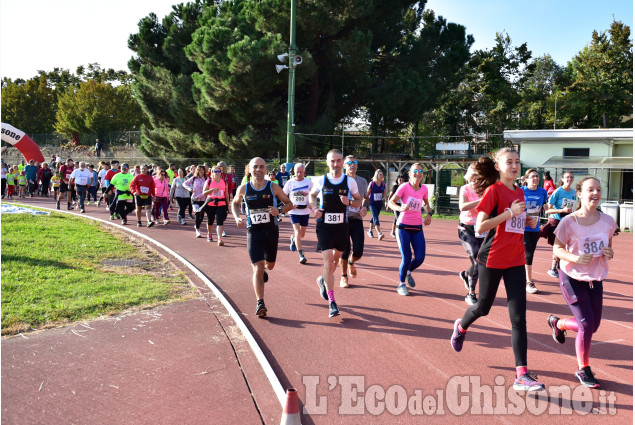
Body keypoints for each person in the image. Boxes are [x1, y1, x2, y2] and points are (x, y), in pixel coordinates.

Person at [450, 149, 545, 392]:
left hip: (515, 260)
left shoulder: (520, 191)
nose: (514, 166)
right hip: (492, 259)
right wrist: (509, 213)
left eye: (517, 162)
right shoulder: (493, 191)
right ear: (498, 166)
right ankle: (461, 327)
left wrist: (527, 220)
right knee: (483, 307)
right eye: (509, 162)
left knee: (518, 318)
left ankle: (521, 374)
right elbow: (481, 226)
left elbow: (514, 224)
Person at [547, 177, 617, 389]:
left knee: (593, 326)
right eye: (590, 189)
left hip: (595, 279)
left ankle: (558, 324)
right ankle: (583, 368)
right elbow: (557, 250)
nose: (595, 193)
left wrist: (609, 253)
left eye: (598, 189)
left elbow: (610, 248)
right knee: (586, 325)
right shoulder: (569, 221)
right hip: (571, 278)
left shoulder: (607, 221)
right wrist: (576, 258)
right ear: (579, 194)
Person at [231, 157, 295, 317]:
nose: (258, 170)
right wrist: (237, 217)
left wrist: (279, 211)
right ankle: (260, 303)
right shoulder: (244, 188)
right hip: (253, 232)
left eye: (262, 167)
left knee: (270, 266)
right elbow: (235, 203)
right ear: (249, 169)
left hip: (271, 232)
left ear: (265, 170)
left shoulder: (273, 187)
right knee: (257, 268)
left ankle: (264, 270)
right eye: (255, 167)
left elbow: (290, 203)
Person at [309, 149, 362, 317]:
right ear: (327, 162)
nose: (336, 164)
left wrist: (350, 202)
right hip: (324, 226)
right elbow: (311, 196)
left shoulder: (349, 181)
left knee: (335, 261)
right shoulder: (321, 180)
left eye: (339, 161)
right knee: (328, 261)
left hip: (342, 227)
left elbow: (359, 201)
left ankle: (323, 280)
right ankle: (332, 302)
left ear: (342, 163)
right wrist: (314, 208)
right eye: (333, 161)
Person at [387, 163, 433, 296]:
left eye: (420, 171)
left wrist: (429, 214)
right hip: (403, 227)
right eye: (415, 171)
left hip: (417, 227)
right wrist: (400, 207)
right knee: (406, 257)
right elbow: (391, 202)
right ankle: (401, 284)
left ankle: (407, 272)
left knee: (420, 258)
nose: (418, 173)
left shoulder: (424, 189)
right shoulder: (404, 187)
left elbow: (425, 203)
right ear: (410, 173)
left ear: (422, 174)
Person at [338, 156, 368, 288]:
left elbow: (366, 198)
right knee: (344, 251)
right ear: (344, 165)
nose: (352, 165)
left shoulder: (362, 181)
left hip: (356, 219)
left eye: (355, 162)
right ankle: (344, 277)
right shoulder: (339, 181)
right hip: (342, 220)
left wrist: (365, 207)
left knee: (358, 251)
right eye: (349, 163)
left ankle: (351, 262)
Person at [541, 171, 576, 278]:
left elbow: (571, 208)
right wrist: (562, 210)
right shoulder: (558, 192)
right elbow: (548, 210)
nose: (569, 179)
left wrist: (570, 213)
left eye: (571, 177)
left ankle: (558, 267)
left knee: (565, 245)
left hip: (566, 221)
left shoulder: (573, 192)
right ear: (563, 179)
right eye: (567, 177)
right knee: (558, 245)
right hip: (555, 221)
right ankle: (553, 268)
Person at [457, 164, 483, 305]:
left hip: (481, 227)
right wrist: (480, 201)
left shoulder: (485, 190)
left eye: (478, 178)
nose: (475, 181)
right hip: (465, 228)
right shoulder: (465, 189)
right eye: (473, 178)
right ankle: (471, 293)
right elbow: (462, 206)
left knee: (479, 259)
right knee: (476, 256)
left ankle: (466, 274)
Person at [522, 169, 550, 294]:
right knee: (528, 254)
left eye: (537, 176)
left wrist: (546, 207)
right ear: (526, 179)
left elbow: (544, 206)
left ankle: (516, 272)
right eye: (532, 176)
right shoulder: (521, 191)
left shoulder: (542, 192)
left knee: (530, 253)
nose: (535, 178)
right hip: (521, 227)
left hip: (535, 227)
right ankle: (529, 281)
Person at [283, 162, 314, 264]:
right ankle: (301, 255)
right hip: (294, 211)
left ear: (304, 172)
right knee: (297, 232)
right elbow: (283, 195)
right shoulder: (290, 183)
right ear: (294, 172)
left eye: (301, 172)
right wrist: (289, 205)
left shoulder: (309, 182)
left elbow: (314, 194)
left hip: (305, 211)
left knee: (302, 234)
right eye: (297, 172)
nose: (299, 174)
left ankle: (293, 238)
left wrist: (311, 203)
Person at [200, 165, 230, 245]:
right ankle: (209, 234)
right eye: (215, 171)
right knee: (210, 221)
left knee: (220, 221)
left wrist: (228, 204)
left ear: (221, 173)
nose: (217, 173)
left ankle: (220, 239)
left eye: (219, 171)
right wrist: (212, 190)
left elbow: (226, 194)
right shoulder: (209, 181)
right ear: (212, 173)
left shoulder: (224, 182)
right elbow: (204, 193)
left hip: (221, 203)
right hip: (211, 203)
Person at [183, 165, 208, 238]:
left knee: (202, 215)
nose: (201, 171)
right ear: (197, 171)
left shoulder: (207, 179)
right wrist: (189, 188)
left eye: (202, 170)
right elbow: (184, 183)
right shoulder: (194, 178)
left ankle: (197, 225)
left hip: (203, 199)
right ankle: (198, 230)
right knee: (197, 213)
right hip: (194, 199)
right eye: (199, 170)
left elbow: (208, 189)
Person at [367, 169, 387, 240]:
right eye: (380, 174)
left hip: (379, 203)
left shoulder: (383, 184)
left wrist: (386, 202)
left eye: (382, 174)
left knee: (374, 217)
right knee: (376, 217)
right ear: (377, 175)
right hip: (372, 203)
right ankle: (379, 233)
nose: (382, 176)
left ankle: (370, 231)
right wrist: (364, 204)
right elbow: (367, 194)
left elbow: (385, 194)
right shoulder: (372, 183)